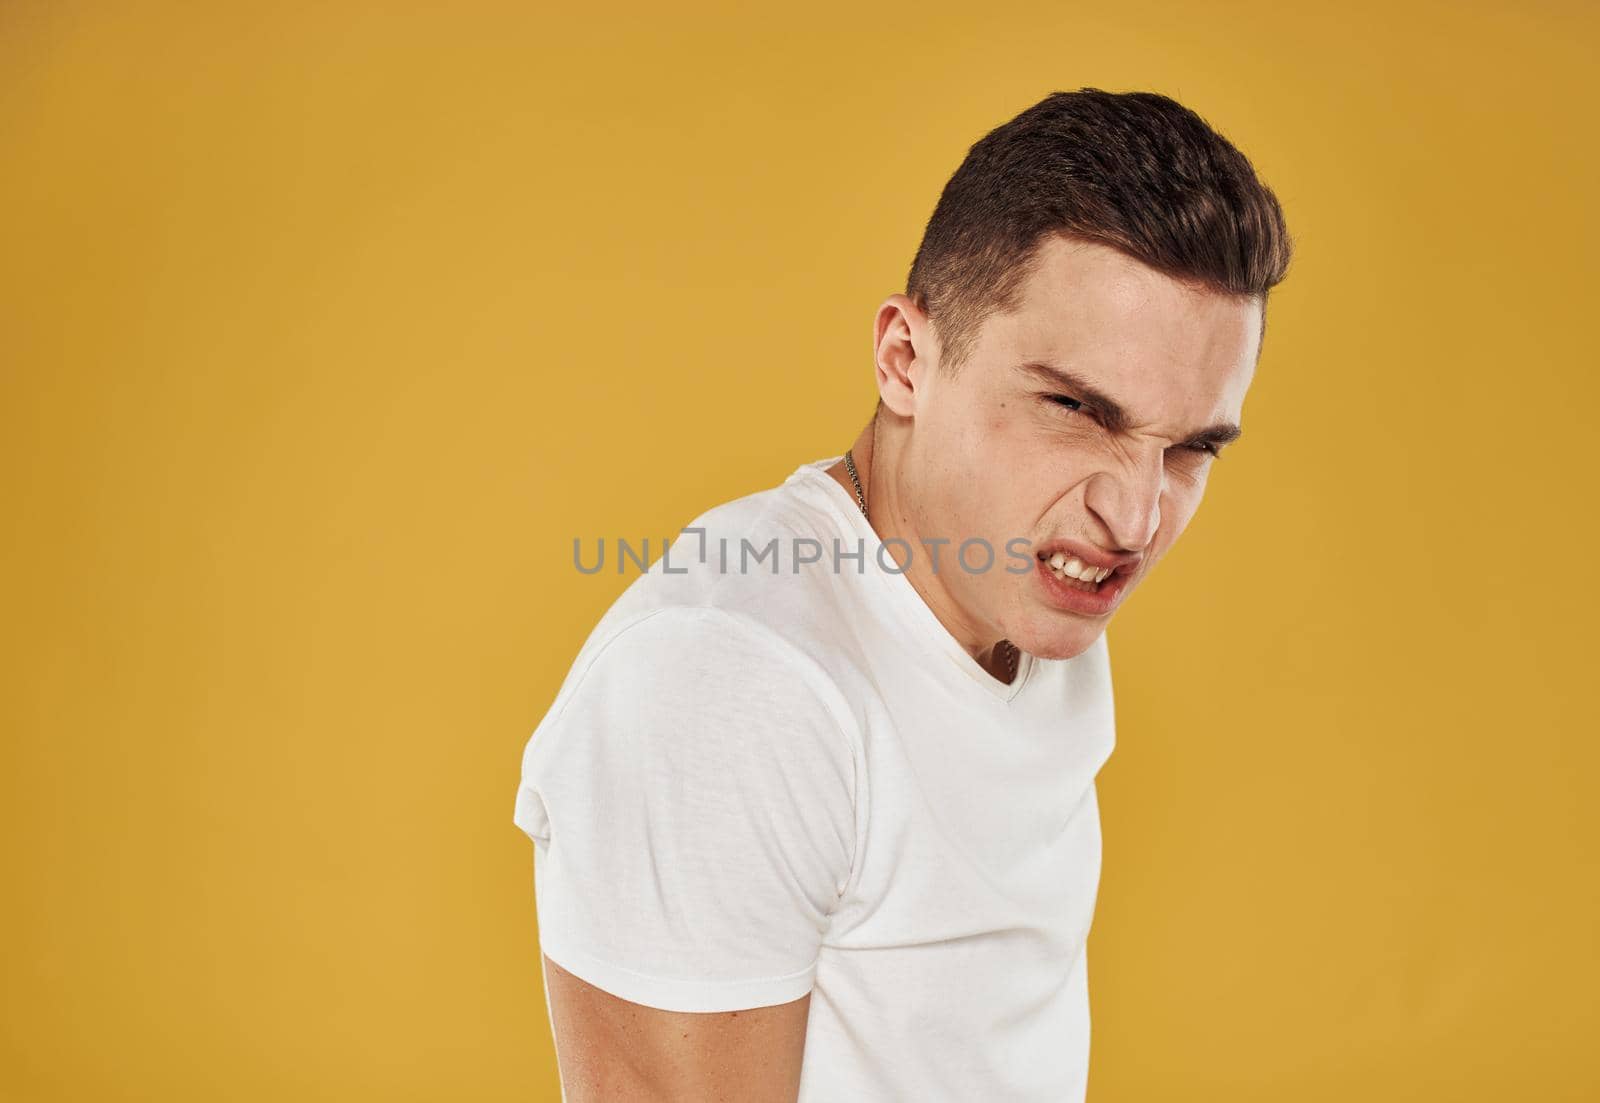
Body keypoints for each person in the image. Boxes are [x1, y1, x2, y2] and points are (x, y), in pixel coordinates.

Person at [512, 87, 1293, 1101]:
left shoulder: (1024, 585)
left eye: (1188, 447)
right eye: (1075, 409)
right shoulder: (732, 681)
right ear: (905, 361)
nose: (1135, 517)